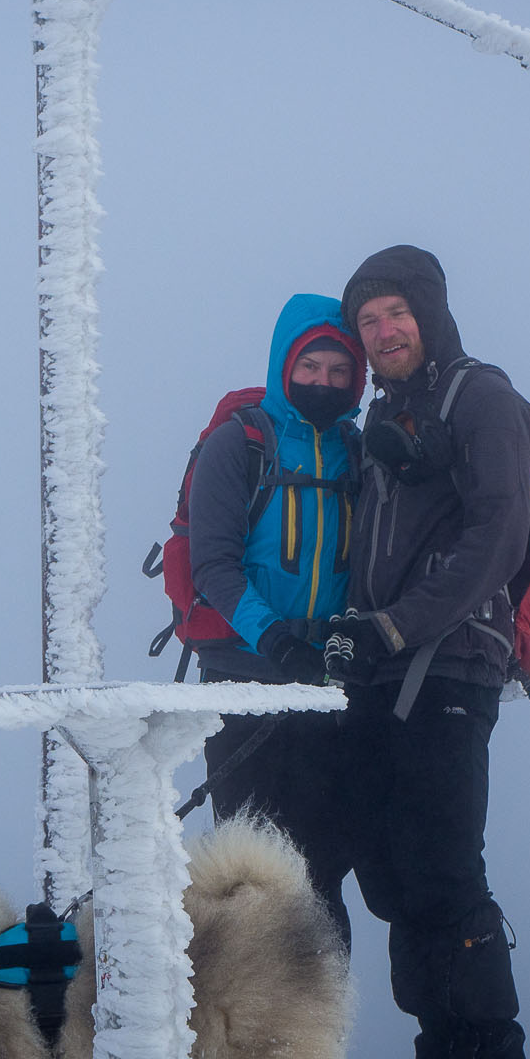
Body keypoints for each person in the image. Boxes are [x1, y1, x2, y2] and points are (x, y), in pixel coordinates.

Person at [325, 246, 530, 1059]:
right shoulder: (390, 415)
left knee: (446, 873)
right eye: (368, 323)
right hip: (386, 672)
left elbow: (499, 536)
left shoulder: (479, 395)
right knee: (397, 877)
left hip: (451, 667)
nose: (381, 333)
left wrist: (392, 627)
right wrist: (350, 636)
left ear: (429, 313)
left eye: (395, 315)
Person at [188, 291, 366, 946]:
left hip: (328, 690)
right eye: (310, 366)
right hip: (242, 681)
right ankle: (244, 1034)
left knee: (322, 874)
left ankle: (316, 1033)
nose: (322, 381)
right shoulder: (240, 445)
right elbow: (213, 565)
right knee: (249, 875)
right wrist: (276, 639)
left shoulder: (359, 452)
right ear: (283, 364)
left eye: (338, 371)